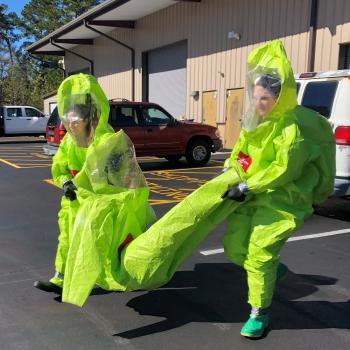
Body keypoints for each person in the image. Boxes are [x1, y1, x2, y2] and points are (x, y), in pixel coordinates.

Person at [115, 39, 335, 339]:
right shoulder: (256, 122)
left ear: (279, 97)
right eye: (256, 97)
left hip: (281, 200)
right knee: (235, 248)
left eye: (265, 98)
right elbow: (241, 150)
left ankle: (259, 313)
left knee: (259, 254)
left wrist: (246, 184)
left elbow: (284, 171)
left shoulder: (291, 130)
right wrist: (230, 168)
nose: (259, 103)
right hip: (249, 195)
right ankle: (272, 272)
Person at [34, 73, 155, 298]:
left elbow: (126, 178)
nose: (72, 125)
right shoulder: (69, 143)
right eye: (69, 121)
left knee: (104, 243)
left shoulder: (108, 140)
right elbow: (59, 168)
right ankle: (61, 278)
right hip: (74, 203)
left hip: (103, 207)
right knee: (68, 238)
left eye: (76, 120)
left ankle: (118, 274)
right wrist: (66, 183)